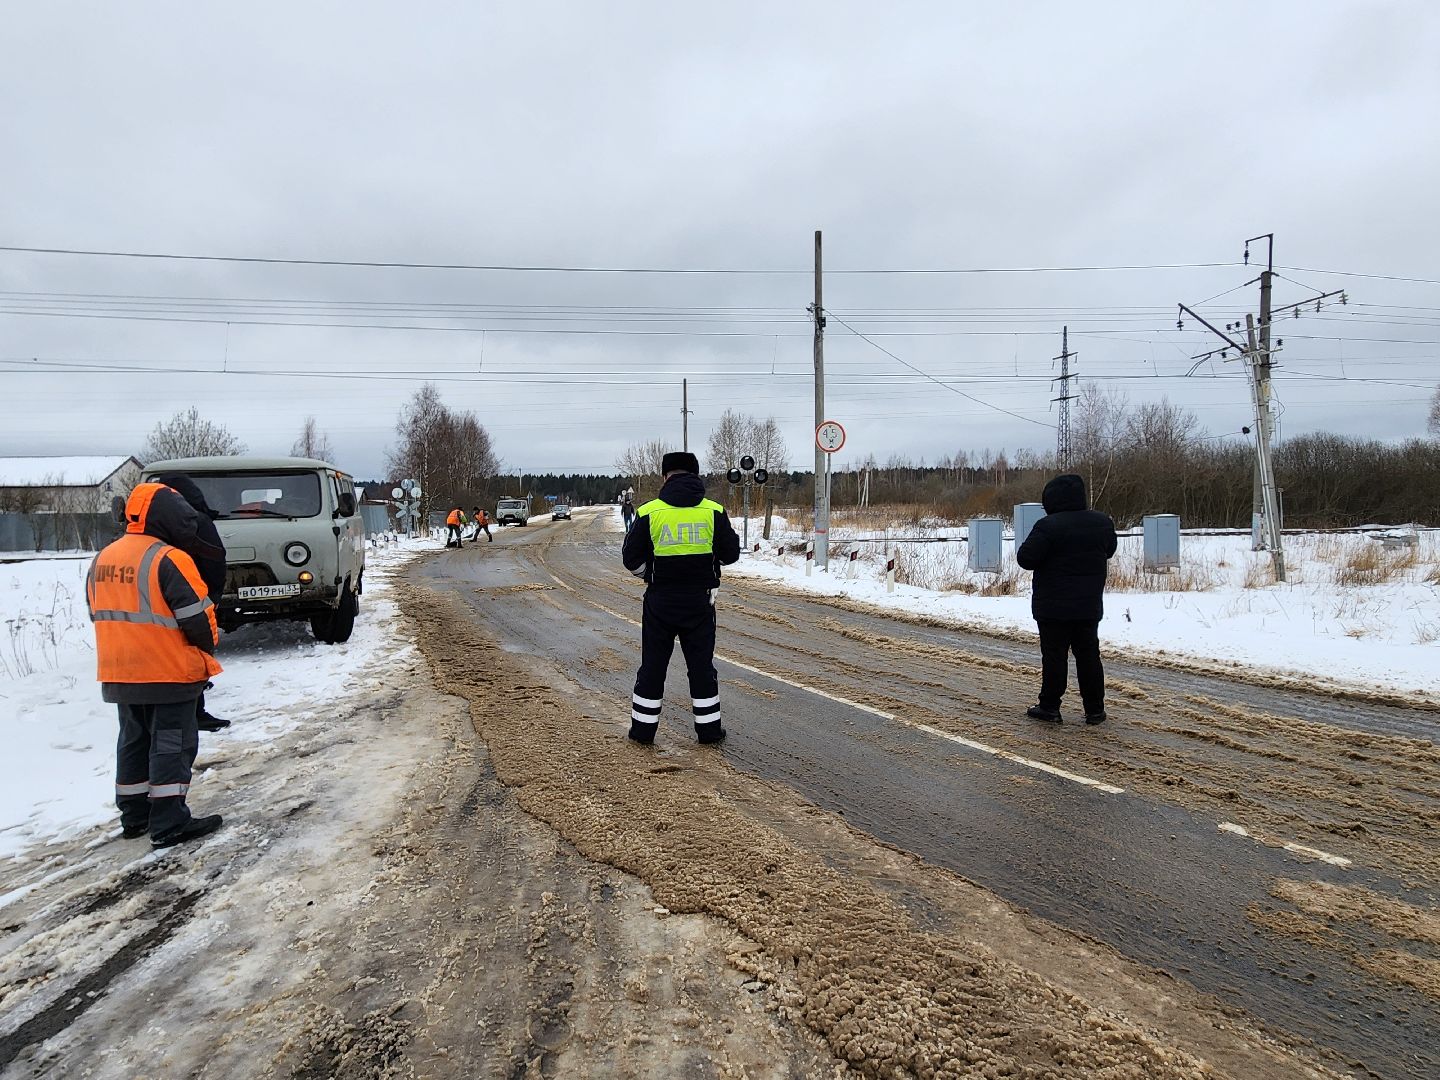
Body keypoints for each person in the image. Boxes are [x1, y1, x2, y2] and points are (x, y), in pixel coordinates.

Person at [86, 482, 225, 848]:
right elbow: (197, 619)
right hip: (167, 671)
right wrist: (209, 645)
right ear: (167, 519)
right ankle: (168, 821)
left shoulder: (104, 558)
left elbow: (96, 612)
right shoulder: (169, 558)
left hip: (119, 671)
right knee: (171, 744)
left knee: (133, 740)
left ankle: (134, 816)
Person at [621, 452, 741, 745]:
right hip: (700, 602)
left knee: (652, 666)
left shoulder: (650, 511)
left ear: (665, 476)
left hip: (660, 601)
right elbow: (731, 554)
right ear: (696, 475)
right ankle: (709, 732)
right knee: (701, 668)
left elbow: (630, 558)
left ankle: (642, 733)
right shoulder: (713, 510)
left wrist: (650, 574)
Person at [1015, 474, 1119, 725]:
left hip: (1053, 606)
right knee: (1089, 655)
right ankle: (1095, 710)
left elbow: (1026, 559)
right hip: (1088, 603)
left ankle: (1050, 706)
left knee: (1054, 656)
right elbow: (1109, 550)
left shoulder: (1048, 526)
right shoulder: (1102, 522)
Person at [157, 473, 230, 732]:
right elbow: (215, 561)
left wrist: (211, 597)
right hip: (187, 598)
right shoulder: (190, 522)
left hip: (189, 597)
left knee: (191, 649)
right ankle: (193, 705)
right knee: (189, 650)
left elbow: (213, 560)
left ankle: (195, 706)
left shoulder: (190, 523)